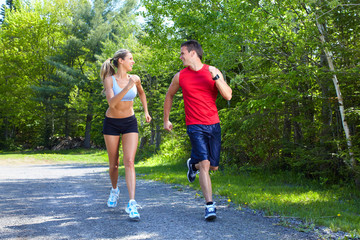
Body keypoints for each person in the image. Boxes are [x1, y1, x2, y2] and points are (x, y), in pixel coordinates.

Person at [163, 40, 232, 220]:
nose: (181, 57)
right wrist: (166, 119)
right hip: (194, 125)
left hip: (213, 123)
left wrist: (216, 78)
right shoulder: (180, 76)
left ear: (193, 53)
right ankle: (210, 206)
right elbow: (169, 95)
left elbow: (228, 95)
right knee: (205, 165)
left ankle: (191, 165)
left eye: (182, 53)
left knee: (214, 166)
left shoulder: (213, 71)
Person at [100, 49, 151, 221]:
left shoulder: (135, 78)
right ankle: (114, 190)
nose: (133, 61)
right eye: (130, 58)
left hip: (130, 121)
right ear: (121, 61)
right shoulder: (109, 80)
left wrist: (145, 111)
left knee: (129, 161)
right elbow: (112, 104)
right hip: (112, 123)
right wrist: (128, 87)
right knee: (114, 164)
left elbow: (142, 94)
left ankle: (132, 202)